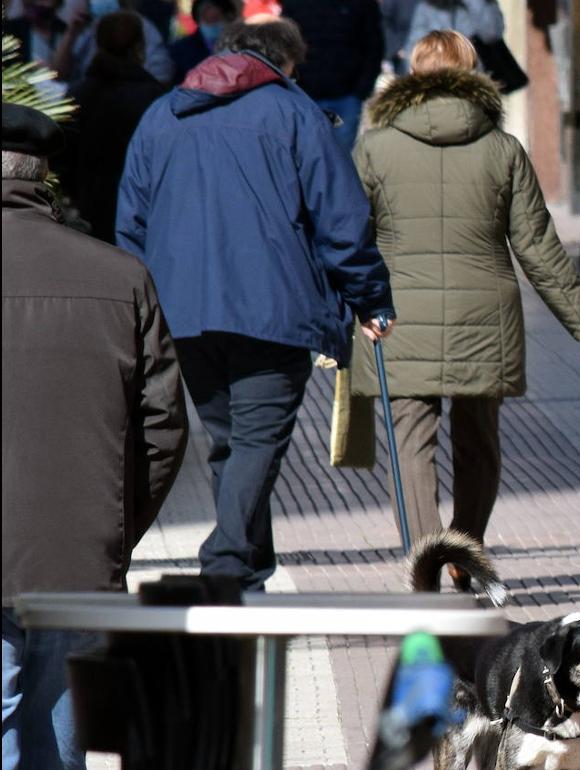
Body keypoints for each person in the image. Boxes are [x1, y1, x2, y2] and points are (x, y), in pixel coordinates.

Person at [115, 18, 395, 592]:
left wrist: (147, 305)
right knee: (258, 439)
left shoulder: (163, 114)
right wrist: (370, 299)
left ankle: (247, 571)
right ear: (284, 64)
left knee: (231, 442)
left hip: (183, 312)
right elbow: (341, 219)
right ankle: (224, 562)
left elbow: (131, 225)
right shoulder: (292, 112)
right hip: (274, 310)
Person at [349, 30, 580, 573]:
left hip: (399, 318)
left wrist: (350, 307)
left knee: (411, 447)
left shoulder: (374, 147)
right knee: (479, 444)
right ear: (471, 75)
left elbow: (349, 239)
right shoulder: (502, 148)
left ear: (413, 75)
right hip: (483, 321)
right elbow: (537, 246)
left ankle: (426, 564)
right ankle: (463, 554)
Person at [2, 103, 188, 770]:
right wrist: (116, 525)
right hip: (78, 553)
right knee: (59, 734)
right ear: (43, 177)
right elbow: (164, 427)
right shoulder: (120, 277)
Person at [62, 10, 164, 242]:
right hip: (138, 211)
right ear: (139, 47)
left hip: (88, 210)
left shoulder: (79, 93)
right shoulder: (153, 97)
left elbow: (64, 158)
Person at [280, 0, 383, 150]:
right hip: (304, 95)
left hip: (346, 96)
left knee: (342, 158)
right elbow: (285, 43)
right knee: (306, 156)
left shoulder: (362, 4)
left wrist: (361, 90)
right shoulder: (295, 4)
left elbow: (374, 45)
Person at [55, 0, 175, 85]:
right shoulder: (86, 29)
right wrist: (71, 33)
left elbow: (162, 77)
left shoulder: (145, 29)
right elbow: (58, 74)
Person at [401, 0, 503, 65]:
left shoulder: (484, 4)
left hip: (475, 72)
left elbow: (492, 34)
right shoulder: (427, 7)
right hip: (438, 72)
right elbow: (415, 48)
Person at [169, 0, 239, 84]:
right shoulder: (181, 49)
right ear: (198, 21)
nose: (212, 25)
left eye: (215, 19)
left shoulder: (242, 43)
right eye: (206, 20)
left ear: (228, 17)